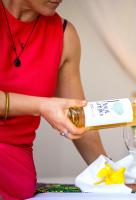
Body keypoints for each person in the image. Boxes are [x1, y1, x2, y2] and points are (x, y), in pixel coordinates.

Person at [0, 0, 106, 199]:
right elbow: (46, 106)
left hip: (15, 167)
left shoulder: (65, 35)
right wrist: (41, 106)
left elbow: (78, 114)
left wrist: (109, 172)